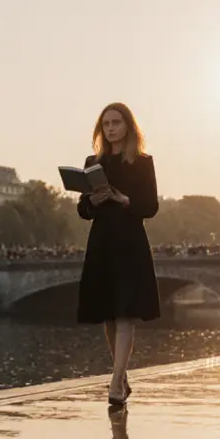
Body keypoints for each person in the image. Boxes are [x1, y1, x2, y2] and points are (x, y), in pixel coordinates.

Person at [76, 102, 161, 407]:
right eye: (106, 123)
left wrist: (125, 200)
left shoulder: (142, 162)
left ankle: (115, 382)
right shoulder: (93, 161)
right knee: (109, 314)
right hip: (102, 241)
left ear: (128, 126)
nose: (111, 128)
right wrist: (93, 202)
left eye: (116, 122)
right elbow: (83, 211)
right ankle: (120, 373)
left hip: (129, 242)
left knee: (126, 312)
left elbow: (150, 207)